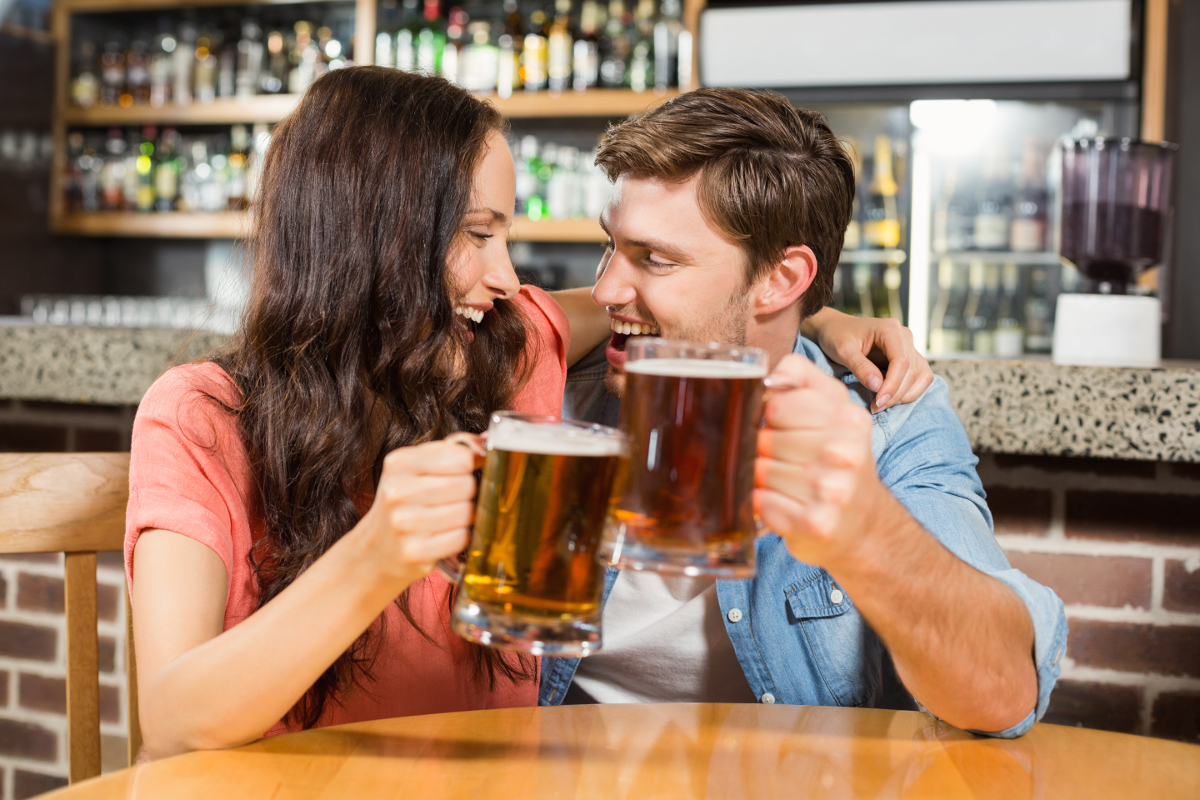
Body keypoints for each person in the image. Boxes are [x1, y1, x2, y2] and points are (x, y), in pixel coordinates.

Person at [125, 68, 931, 758]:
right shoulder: (203, 416)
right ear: (374, 239)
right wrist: (375, 556)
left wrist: (814, 316)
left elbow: (671, 305)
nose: (508, 276)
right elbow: (170, 718)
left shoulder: (499, 356)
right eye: (479, 234)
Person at [545, 88, 1067, 738]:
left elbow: (1003, 692)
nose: (606, 289)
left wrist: (862, 531)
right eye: (611, 246)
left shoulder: (886, 417)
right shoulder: (554, 388)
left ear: (782, 279)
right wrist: (817, 316)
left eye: (655, 259)